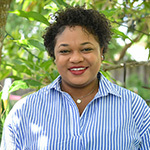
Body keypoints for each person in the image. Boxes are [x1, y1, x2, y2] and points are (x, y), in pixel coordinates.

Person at [1, 6, 150, 150]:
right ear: (54, 56)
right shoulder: (24, 112)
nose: (76, 58)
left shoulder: (134, 108)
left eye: (86, 49)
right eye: (65, 51)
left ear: (102, 52)